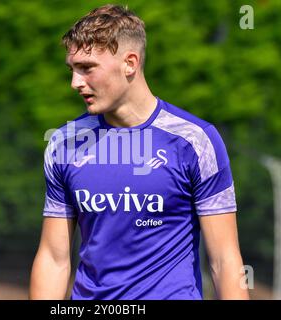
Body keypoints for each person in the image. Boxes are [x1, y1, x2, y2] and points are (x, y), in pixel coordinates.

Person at [29, 4, 249, 300]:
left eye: (87, 68)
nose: (75, 83)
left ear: (130, 63)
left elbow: (225, 259)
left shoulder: (195, 141)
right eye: (72, 69)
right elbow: (54, 259)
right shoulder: (64, 144)